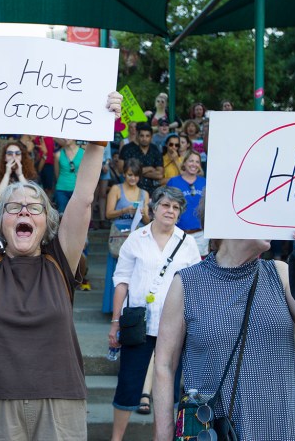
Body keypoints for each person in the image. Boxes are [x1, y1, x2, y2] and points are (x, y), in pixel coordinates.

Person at [0, 80, 122, 440]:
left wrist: (99, 134)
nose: (24, 211)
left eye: (35, 207)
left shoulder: (60, 260)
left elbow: (83, 197)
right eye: (14, 207)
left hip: (59, 402)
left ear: (47, 221)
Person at [152, 216, 295, 441]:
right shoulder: (187, 283)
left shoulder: (280, 273)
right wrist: (163, 434)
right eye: (258, 213)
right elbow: (164, 364)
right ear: (224, 217)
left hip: (282, 427)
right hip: (214, 430)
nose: (269, 221)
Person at [108, 186, 200, 440]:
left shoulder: (188, 243)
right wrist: (115, 322)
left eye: (176, 207)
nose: (170, 211)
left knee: (167, 390)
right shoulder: (136, 239)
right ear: (154, 208)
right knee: (128, 384)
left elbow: (196, 287)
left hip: (175, 327)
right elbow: (122, 281)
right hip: (139, 325)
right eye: (166, 205)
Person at [103, 158, 150, 314]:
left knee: (137, 270)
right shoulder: (116, 189)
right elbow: (108, 213)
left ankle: (131, 307)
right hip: (120, 233)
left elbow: (148, 221)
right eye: (130, 174)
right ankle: (114, 307)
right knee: (118, 270)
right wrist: (124, 210)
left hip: (138, 233)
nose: (132, 178)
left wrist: (143, 213)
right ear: (124, 174)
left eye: (136, 175)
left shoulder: (144, 193)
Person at [167, 150, 207, 256]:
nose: (194, 164)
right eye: (191, 161)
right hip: (178, 233)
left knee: (200, 264)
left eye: (197, 162)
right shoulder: (173, 182)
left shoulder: (204, 182)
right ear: (184, 162)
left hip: (200, 234)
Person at [119, 124, 163, 195]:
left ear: (151, 137)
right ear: (137, 136)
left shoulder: (155, 150)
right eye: (142, 136)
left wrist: (136, 173)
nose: (144, 139)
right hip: (132, 190)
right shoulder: (127, 149)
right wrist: (149, 168)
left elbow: (159, 175)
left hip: (153, 191)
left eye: (147, 136)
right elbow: (121, 170)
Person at [53, 138, 84, 214]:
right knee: (62, 214)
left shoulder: (83, 153)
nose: (65, 138)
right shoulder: (58, 154)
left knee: (76, 215)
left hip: (77, 190)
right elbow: (57, 173)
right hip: (61, 189)